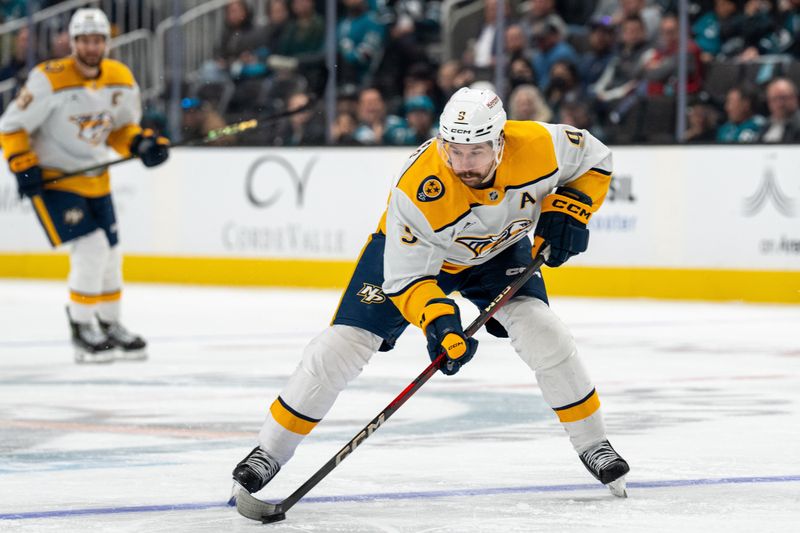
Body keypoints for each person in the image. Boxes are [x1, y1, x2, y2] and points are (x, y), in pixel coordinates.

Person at [231, 87, 630, 498]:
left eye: (475, 152)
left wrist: (573, 208)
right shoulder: (418, 189)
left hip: (496, 252)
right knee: (338, 348)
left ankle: (593, 443)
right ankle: (269, 452)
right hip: (416, 262)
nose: (462, 164)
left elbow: (596, 158)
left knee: (544, 332)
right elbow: (408, 280)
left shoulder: (539, 144)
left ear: (500, 140)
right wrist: (439, 322)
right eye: (453, 150)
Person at [0, 8, 169, 363]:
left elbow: (122, 128)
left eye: (97, 40)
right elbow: (11, 125)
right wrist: (22, 165)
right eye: (84, 40)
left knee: (110, 254)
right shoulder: (49, 78)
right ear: (73, 42)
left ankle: (110, 324)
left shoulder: (120, 77)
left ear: (107, 42)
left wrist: (140, 144)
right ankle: (81, 328)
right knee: (91, 248)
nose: (91, 47)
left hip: (96, 178)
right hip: (55, 180)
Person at [757, 77, 800, 143]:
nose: (779, 104)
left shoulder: (797, 125)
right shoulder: (765, 125)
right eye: (774, 99)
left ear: (795, 98)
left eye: (783, 98)